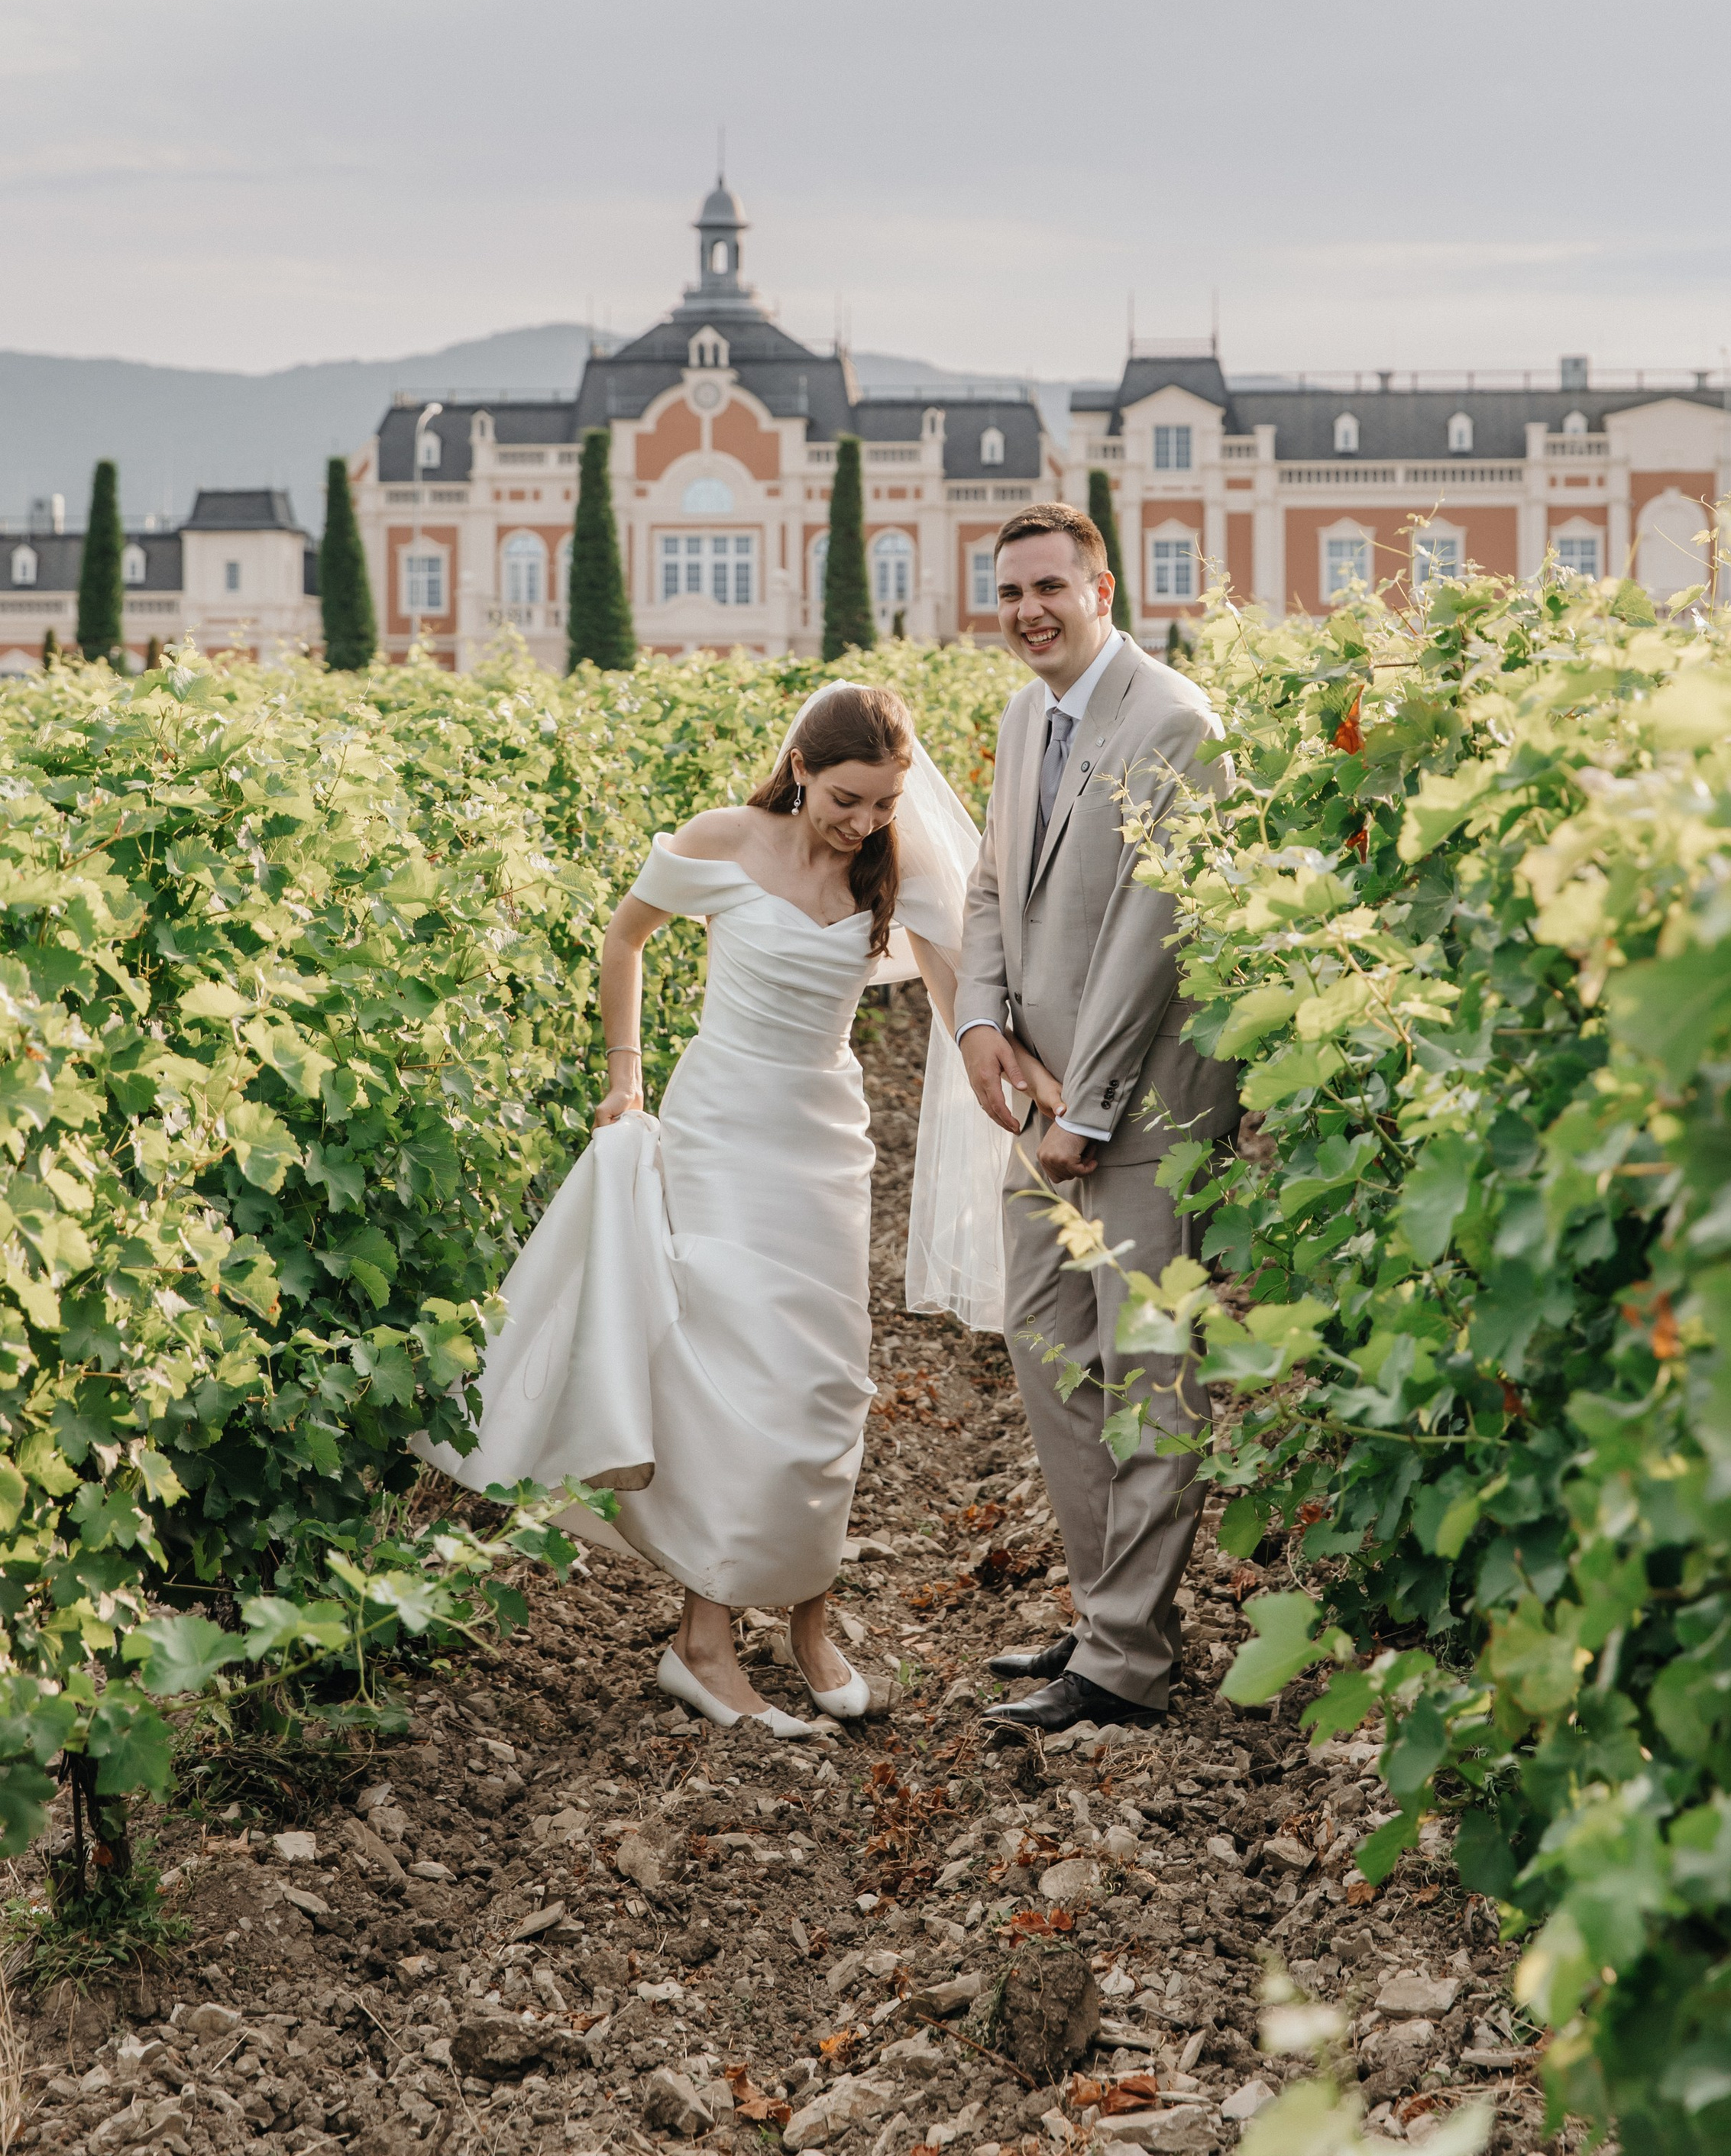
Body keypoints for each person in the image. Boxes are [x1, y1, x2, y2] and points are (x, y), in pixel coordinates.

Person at [416, 681, 991, 1739]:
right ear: (804, 768)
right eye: (850, 799)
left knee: (830, 1383)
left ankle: (811, 1629)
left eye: (886, 802)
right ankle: (705, 1642)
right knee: (734, 1375)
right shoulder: (725, 839)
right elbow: (625, 939)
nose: (867, 821)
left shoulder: (890, 869)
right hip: (723, 1126)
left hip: (824, 1133)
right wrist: (626, 1076)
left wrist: (1013, 1082)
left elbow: (963, 1005)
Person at [955, 503, 1238, 1734]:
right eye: (1012, 590)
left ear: (1103, 587)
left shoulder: (1177, 721)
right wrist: (979, 1023)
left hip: (1146, 1111)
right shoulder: (1029, 716)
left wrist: (1094, 1110)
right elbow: (987, 883)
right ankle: (1107, 1608)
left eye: (1050, 586)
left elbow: (1151, 937)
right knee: (1045, 1343)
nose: (1029, 610)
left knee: (1151, 1371)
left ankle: (1125, 1664)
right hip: (1042, 1103)